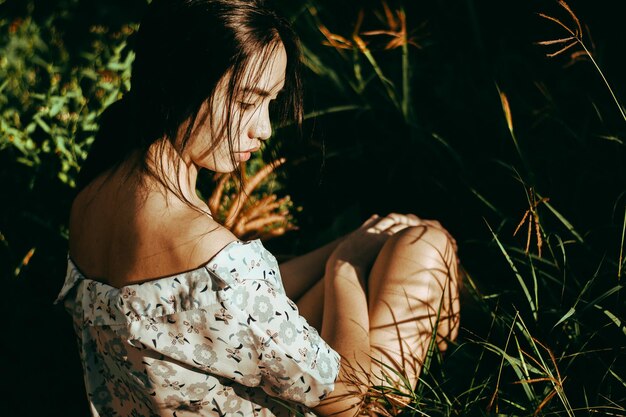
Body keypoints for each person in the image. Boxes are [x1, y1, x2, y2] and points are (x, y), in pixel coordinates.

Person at [55, 0, 461, 416]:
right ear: (182, 83)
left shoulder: (91, 199)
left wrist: (349, 244)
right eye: (248, 101)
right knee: (426, 246)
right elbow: (355, 402)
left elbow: (205, 309)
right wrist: (346, 268)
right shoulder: (202, 246)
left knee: (391, 247)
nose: (264, 128)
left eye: (271, 101)